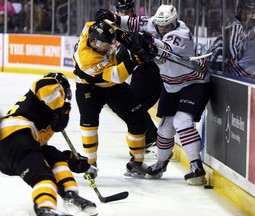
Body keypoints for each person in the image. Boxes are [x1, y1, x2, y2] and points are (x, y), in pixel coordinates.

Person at [95, 4, 211, 185]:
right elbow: (131, 22)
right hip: (171, 85)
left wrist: (146, 40)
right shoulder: (153, 23)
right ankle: (161, 163)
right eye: (160, 26)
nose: (163, 29)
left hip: (193, 82)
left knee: (182, 121)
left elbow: (161, 48)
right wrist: (111, 17)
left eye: (167, 26)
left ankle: (196, 166)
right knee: (165, 129)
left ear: (174, 23)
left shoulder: (182, 35)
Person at [0, 73, 97, 216]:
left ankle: (70, 196)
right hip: (14, 138)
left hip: (11, 151)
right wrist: (60, 107)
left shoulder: (43, 116)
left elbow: (39, 151)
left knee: (54, 155)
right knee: (43, 176)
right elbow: (41, 85)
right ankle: (44, 207)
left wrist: (70, 159)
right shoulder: (50, 85)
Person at [73, 20, 157, 179]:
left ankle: (136, 163)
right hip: (89, 86)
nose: (110, 48)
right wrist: (136, 59)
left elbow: (109, 25)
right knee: (89, 125)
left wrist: (130, 39)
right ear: (94, 43)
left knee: (138, 119)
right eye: (106, 45)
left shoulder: (92, 28)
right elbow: (117, 76)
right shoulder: (86, 59)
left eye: (111, 44)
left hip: (111, 84)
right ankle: (90, 164)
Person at [112, 0, 163, 150]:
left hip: (152, 70)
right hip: (140, 71)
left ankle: (150, 136)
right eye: (121, 11)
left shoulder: (142, 23)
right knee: (123, 105)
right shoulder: (118, 28)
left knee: (133, 105)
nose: (124, 14)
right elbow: (122, 55)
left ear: (132, 10)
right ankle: (149, 135)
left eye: (127, 10)